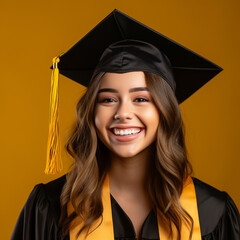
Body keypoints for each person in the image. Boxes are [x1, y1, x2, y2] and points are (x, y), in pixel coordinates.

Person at [11, 9, 240, 240]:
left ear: (165, 111)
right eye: (108, 100)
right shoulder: (50, 208)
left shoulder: (211, 213)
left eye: (141, 99)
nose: (123, 113)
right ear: (92, 111)